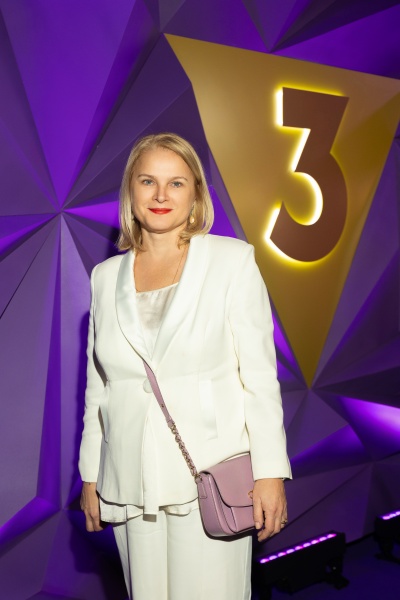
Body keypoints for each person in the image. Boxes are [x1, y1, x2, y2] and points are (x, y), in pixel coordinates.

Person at [79, 132, 291, 599]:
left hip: (208, 478)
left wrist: (270, 473)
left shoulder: (231, 262)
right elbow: (100, 389)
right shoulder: (104, 277)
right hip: (127, 481)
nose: (160, 195)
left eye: (176, 183)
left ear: (196, 192)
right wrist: (91, 476)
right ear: (130, 191)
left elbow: (259, 379)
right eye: (147, 181)